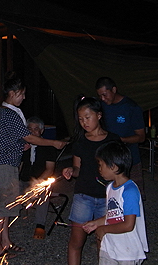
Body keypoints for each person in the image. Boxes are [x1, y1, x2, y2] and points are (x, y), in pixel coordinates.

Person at [0, 77, 67, 259]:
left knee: (7, 207)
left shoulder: (4, 112)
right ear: (12, 94)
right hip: (3, 166)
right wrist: (53, 142)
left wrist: (18, 146)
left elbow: (8, 139)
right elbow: (30, 137)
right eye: (21, 94)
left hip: (7, 164)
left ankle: (5, 242)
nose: (23, 97)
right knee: (2, 209)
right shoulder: (9, 114)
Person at [62, 96, 120, 265]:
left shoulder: (112, 140)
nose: (84, 122)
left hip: (107, 199)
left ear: (99, 115)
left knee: (103, 242)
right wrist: (72, 170)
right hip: (83, 196)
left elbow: (119, 171)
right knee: (76, 241)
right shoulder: (80, 141)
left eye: (88, 117)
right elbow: (78, 169)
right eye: (80, 119)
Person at [83, 141, 149, 265]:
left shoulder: (129, 191)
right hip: (110, 247)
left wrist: (103, 230)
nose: (99, 169)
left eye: (101, 165)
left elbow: (128, 225)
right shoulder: (110, 188)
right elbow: (113, 215)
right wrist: (96, 223)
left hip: (127, 251)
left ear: (113, 166)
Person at [95, 77, 146, 201]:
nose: (102, 98)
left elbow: (141, 137)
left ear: (113, 89)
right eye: (100, 96)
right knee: (111, 198)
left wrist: (120, 140)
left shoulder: (131, 107)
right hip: (109, 161)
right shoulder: (102, 107)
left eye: (104, 94)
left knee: (132, 197)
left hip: (129, 160)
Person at [19, 116, 59, 240]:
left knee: (43, 190)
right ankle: (0, 217)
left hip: (40, 181)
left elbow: (49, 169)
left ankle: (40, 224)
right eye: (29, 129)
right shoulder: (22, 146)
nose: (32, 132)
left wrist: (36, 183)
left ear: (41, 131)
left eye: (36, 129)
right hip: (24, 180)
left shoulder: (48, 147)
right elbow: (18, 166)